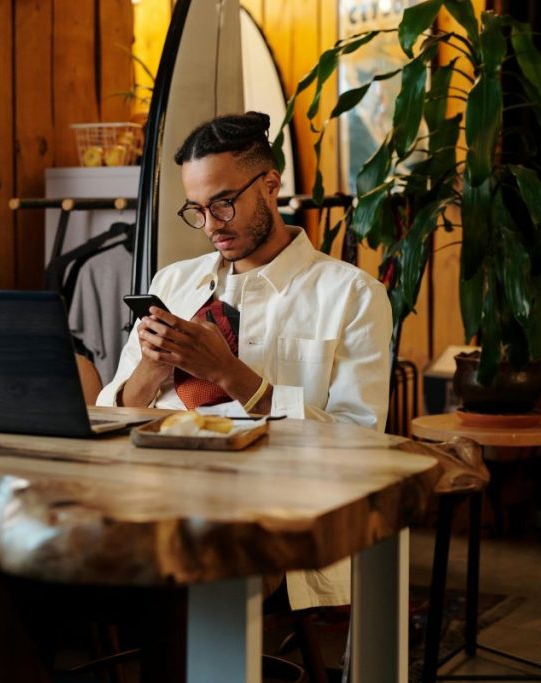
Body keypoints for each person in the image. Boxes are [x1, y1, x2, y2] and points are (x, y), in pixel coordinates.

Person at [96, 111, 392, 610]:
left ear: (270, 184)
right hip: (154, 497)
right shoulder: (172, 284)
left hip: (272, 513)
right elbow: (114, 411)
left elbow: (358, 443)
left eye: (224, 204)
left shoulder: (353, 296)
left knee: (197, 573)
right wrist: (154, 367)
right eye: (197, 210)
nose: (211, 225)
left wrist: (230, 375)